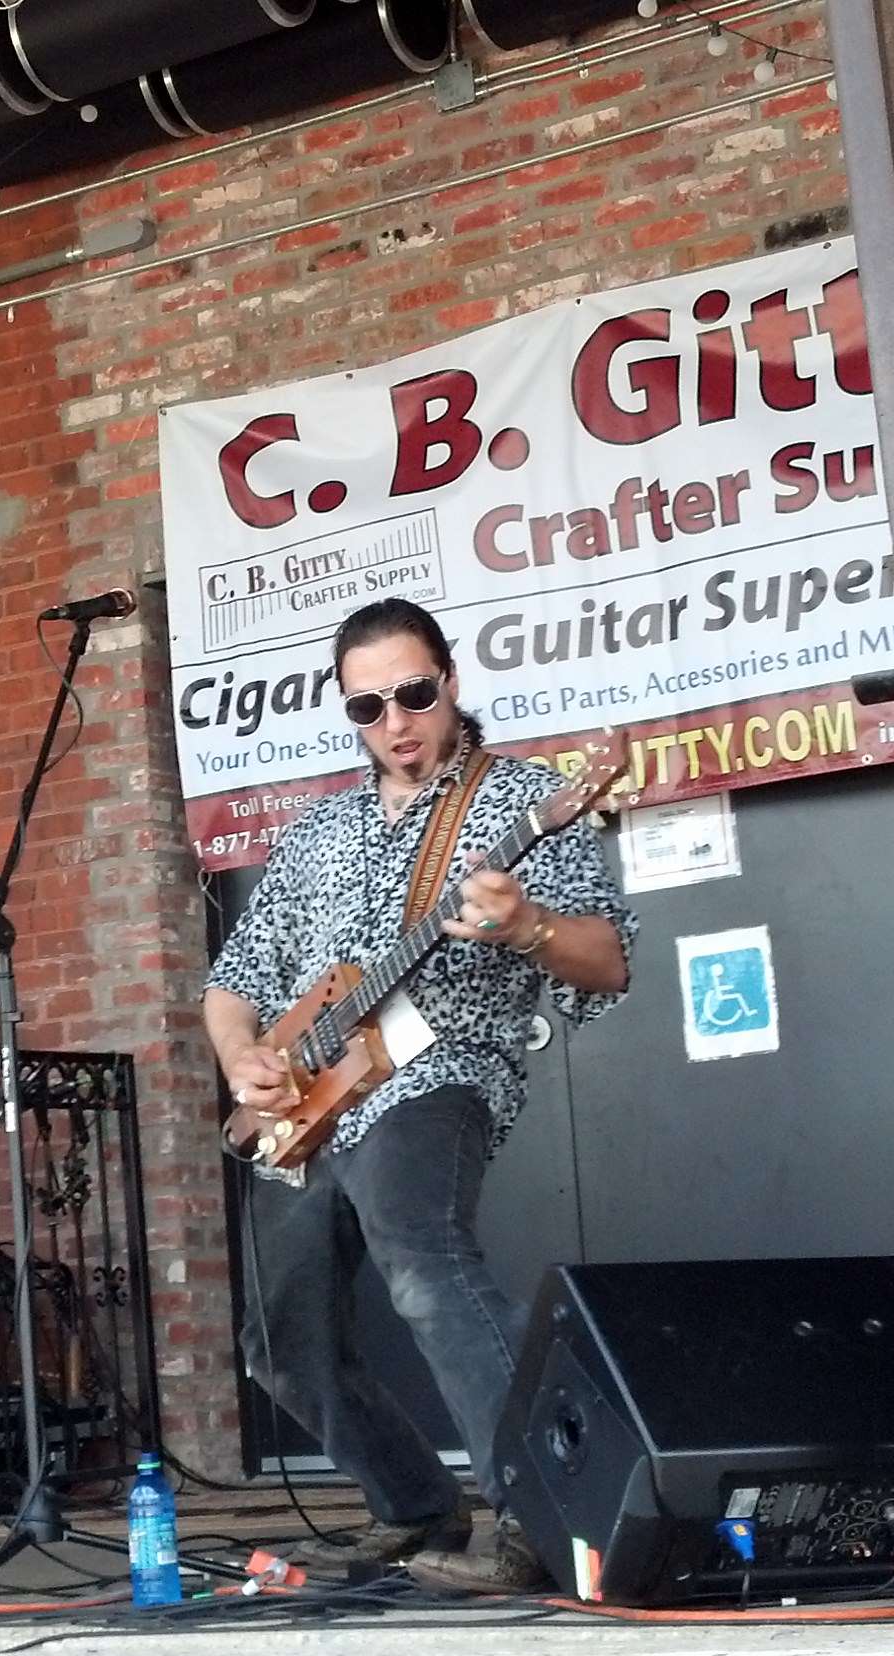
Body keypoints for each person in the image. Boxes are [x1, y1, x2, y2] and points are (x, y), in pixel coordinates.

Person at [204, 597, 636, 1596]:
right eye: (369, 705)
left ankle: (541, 1512)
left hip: (440, 1072)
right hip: (307, 1101)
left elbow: (607, 961)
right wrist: (242, 1059)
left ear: (451, 681)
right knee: (278, 1336)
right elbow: (234, 978)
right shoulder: (316, 834)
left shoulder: (522, 802)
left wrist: (527, 925)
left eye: (413, 693)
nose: (395, 722)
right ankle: (412, 1504)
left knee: (417, 1252)